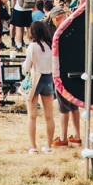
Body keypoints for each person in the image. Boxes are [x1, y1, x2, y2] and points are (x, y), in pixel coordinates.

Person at [27, 16, 58, 152]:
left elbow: (26, 66)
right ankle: (49, 146)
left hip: (35, 79)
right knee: (49, 116)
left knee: (32, 116)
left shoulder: (32, 46)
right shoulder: (51, 46)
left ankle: (33, 146)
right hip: (48, 79)